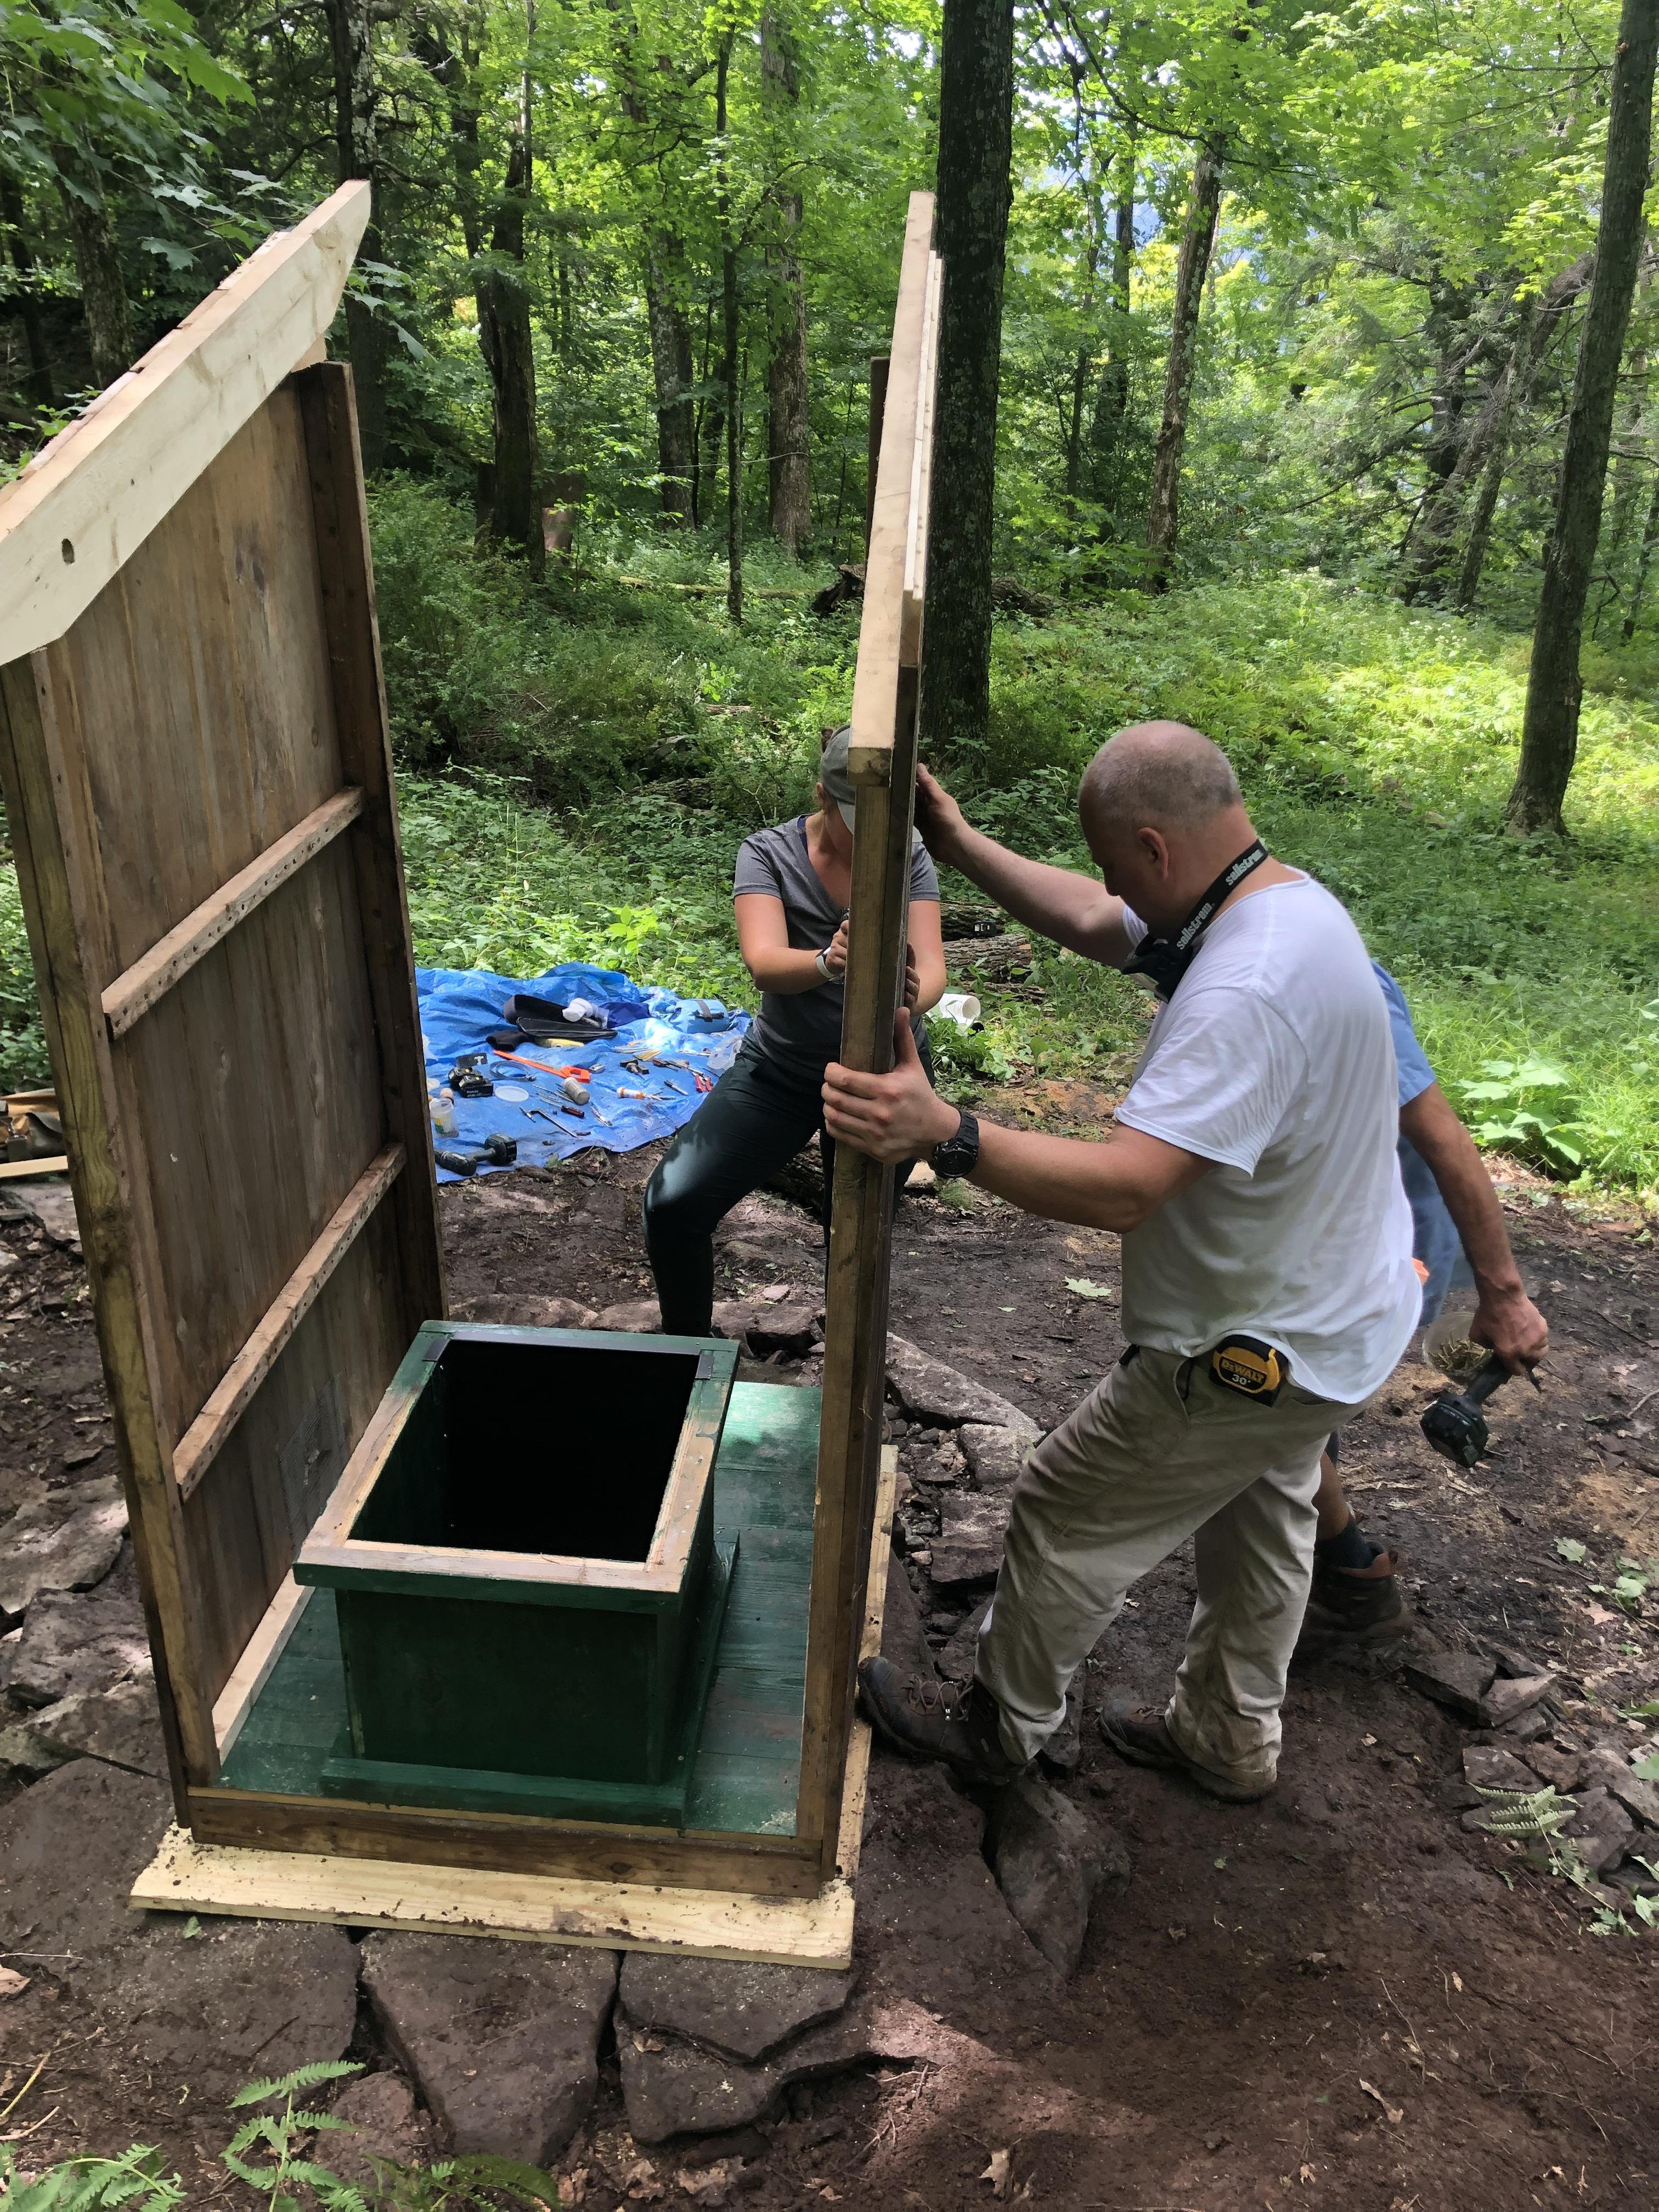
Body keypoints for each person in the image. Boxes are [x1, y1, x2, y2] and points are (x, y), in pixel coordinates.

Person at [832, 720, 1431, 1803]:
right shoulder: (1285, 905)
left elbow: (1128, 1185)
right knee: (1265, 1513)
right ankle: (1229, 1742)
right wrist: (956, 840)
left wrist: (948, 1133)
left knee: (1064, 1503)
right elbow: (1100, 919)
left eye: (1119, 865)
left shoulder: (1243, 991)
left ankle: (1000, 1732)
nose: (1114, 891)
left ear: (1158, 849)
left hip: (1253, 1346)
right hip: (1340, 1316)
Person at [642, 724, 947, 1338]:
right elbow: (763, 962)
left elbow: (933, 967)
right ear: (823, 797)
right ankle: (689, 1358)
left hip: (879, 1080)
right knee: (673, 1204)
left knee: (858, 1243)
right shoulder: (768, 853)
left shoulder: (907, 851)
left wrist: (913, 999)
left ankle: (847, 1362)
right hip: (779, 1071)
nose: (870, 843)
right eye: (856, 822)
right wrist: (826, 962)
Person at [1307, 964, 1548, 1633]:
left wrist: (1506, 1294)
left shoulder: (1330, 977)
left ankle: (1351, 1579)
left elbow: (1442, 1137)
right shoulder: (1204, 950)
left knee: (1279, 1414)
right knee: (1293, 1414)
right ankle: (1334, 1567)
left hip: (1379, 1253)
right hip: (1324, 1244)